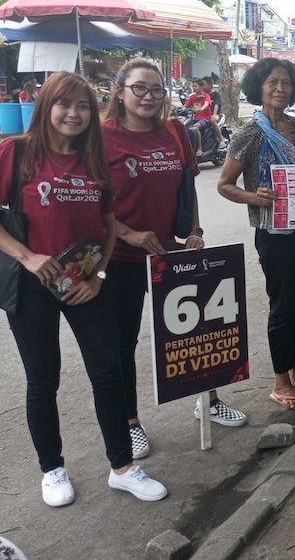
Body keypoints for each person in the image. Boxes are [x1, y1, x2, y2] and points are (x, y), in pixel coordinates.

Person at [0, 72, 168, 506]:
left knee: (108, 372)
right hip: (32, 282)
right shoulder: (15, 152)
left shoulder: (94, 159)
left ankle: (123, 467)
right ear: (46, 106)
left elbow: (108, 224)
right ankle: (52, 470)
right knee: (43, 379)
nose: (72, 114)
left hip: (83, 284)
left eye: (81, 107)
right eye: (63, 104)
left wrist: (98, 276)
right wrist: (28, 256)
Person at [103, 60, 247, 461]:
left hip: (174, 251)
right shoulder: (100, 137)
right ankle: (129, 422)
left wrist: (196, 232)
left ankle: (209, 400)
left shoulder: (176, 131)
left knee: (196, 332)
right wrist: (128, 233)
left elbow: (188, 185)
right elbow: (91, 201)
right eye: (139, 89)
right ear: (120, 91)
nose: (148, 96)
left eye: (156, 90)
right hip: (120, 257)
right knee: (122, 342)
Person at [218, 58, 295, 410]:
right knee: (284, 306)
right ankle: (280, 380)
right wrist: (253, 196)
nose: (280, 89)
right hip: (274, 232)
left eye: (286, 83)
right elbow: (224, 185)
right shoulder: (251, 133)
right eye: (272, 82)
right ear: (258, 87)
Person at [184, 79, 212, 156]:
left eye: (195, 86)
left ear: (201, 86)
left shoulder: (206, 96)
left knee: (195, 127)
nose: (194, 88)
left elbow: (206, 103)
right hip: (194, 118)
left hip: (205, 118)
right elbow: (186, 105)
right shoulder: (192, 96)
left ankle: (199, 148)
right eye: (193, 86)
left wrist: (202, 108)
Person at [200, 77, 226, 147]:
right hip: (204, 116)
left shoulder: (215, 94)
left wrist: (214, 114)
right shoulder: (201, 95)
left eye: (204, 84)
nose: (202, 86)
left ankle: (221, 140)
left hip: (216, 115)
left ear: (210, 85)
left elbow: (216, 105)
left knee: (212, 120)